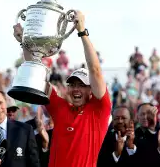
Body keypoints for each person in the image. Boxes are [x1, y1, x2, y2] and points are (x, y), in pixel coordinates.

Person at [13, 10, 111, 167]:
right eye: (72, 84)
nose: (76, 89)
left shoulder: (99, 110)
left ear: (91, 90)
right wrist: (24, 42)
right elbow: (37, 76)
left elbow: (95, 70)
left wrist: (82, 32)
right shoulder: (60, 108)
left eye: (82, 85)